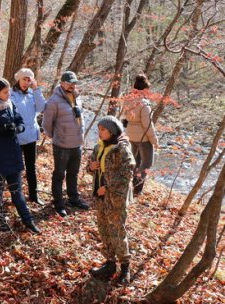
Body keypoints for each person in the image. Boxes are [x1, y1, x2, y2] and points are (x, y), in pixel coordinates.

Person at [0, 78, 40, 234]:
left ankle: (28, 221)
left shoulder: (10, 104)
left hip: (13, 154)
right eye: (5, 92)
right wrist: (3, 129)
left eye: (9, 91)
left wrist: (18, 128)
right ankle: (0, 222)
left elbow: (20, 121)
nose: (9, 94)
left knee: (17, 192)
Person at [87, 116, 135, 284]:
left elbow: (127, 175)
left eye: (103, 130)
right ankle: (110, 263)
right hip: (100, 198)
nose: (99, 132)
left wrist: (107, 188)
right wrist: (91, 167)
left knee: (117, 232)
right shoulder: (98, 147)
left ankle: (125, 268)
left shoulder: (122, 150)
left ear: (112, 132)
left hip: (115, 200)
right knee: (104, 230)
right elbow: (90, 166)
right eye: (99, 129)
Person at [43, 71, 89, 217]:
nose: (72, 85)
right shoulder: (54, 101)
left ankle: (74, 198)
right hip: (62, 145)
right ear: (62, 83)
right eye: (69, 83)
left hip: (77, 144)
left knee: (73, 173)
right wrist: (55, 137)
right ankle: (58, 203)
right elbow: (46, 124)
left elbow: (80, 118)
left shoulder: (77, 98)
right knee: (59, 174)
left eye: (74, 83)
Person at [10, 68, 46, 205]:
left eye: (28, 80)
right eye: (23, 79)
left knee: (31, 167)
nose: (26, 82)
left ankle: (33, 195)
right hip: (17, 137)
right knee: (17, 168)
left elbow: (42, 108)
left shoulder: (33, 94)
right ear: (18, 79)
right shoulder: (11, 94)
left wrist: (37, 90)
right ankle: (16, 197)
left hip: (31, 136)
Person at [123, 73, 158, 195]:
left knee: (135, 161)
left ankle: (131, 184)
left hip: (130, 134)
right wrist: (154, 140)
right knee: (147, 163)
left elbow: (126, 117)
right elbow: (147, 125)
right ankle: (138, 188)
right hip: (143, 138)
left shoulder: (127, 100)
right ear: (145, 88)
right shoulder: (144, 104)